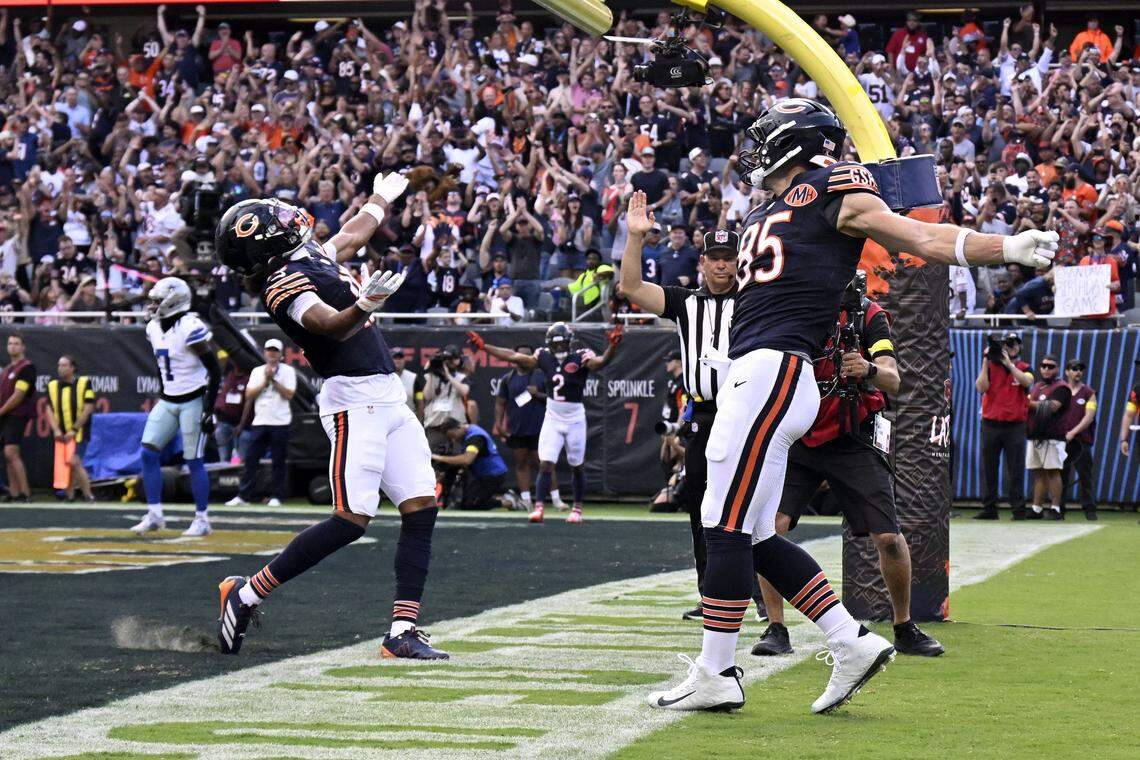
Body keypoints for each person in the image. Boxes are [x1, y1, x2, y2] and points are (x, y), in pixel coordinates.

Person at [646, 98, 1057, 715]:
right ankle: (848, 642)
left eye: (766, 139)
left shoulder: (834, 188)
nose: (755, 152)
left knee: (721, 521)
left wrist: (1000, 247)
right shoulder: (769, 207)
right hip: (764, 372)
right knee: (754, 533)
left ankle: (715, 671)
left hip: (772, 370)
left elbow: (917, 235)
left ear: (795, 143)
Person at [214, 173, 447, 660]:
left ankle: (401, 632)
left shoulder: (307, 255)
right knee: (350, 518)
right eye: (273, 219)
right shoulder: (282, 283)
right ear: (266, 242)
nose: (285, 216)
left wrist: (383, 196)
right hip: (352, 400)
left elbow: (354, 232)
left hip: (386, 396)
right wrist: (364, 304)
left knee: (422, 507)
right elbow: (329, 326)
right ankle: (246, 592)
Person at [751, 280, 943, 659]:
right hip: (797, 433)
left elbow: (893, 378)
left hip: (851, 432)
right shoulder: (794, 308)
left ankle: (903, 625)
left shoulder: (868, 315)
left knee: (888, 536)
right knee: (768, 529)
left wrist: (868, 368)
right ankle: (775, 626)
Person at [618, 200, 739, 620]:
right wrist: (635, 237)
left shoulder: (756, 301)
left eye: (729, 259)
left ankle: (759, 596)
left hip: (746, 415)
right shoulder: (686, 303)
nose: (722, 267)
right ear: (702, 262)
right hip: (704, 416)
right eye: (716, 259)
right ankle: (711, 594)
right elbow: (631, 287)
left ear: (739, 264)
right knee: (701, 507)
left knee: (752, 508)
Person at [471, 321, 620, 523]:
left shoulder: (581, 356)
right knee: (545, 463)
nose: (559, 347)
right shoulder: (543, 356)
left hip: (575, 417)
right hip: (553, 416)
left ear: (569, 342)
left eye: (562, 343)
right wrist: (484, 347)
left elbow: (600, 362)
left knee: (577, 465)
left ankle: (577, 509)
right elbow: (513, 356)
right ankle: (539, 507)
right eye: (555, 344)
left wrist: (612, 346)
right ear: (550, 343)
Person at [131, 278, 220, 537]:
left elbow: (214, 369)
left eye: (157, 301)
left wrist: (209, 409)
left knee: (193, 460)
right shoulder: (153, 328)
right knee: (148, 453)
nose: (153, 305)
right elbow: (161, 367)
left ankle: (202, 519)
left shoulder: (189, 326)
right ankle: (155, 514)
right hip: (169, 400)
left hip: (194, 399)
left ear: (173, 301)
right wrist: (162, 393)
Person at [225, 339, 296, 508]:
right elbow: (249, 394)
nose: (272, 354)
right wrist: (265, 381)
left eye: (275, 351)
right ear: (264, 353)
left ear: (280, 354)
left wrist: (274, 381)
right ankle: (243, 496)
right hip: (260, 421)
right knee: (251, 460)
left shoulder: (288, 371)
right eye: (269, 350)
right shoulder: (257, 371)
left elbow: (289, 395)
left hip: (281, 421)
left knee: (278, 461)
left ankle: (277, 496)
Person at [974, 332, 1034, 520]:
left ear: (1019, 348)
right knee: (988, 467)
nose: (1010, 347)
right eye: (1006, 344)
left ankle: (1018, 509)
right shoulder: (990, 367)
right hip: (991, 424)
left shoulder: (1025, 367)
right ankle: (990, 508)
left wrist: (1009, 363)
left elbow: (1027, 381)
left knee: (1015, 469)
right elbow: (980, 388)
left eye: (1013, 344)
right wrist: (986, 360)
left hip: (1015, 426)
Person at [493, 344, 548, 512]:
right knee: (521, 463)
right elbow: (500, 403)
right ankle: (526, 500)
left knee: (544, 463)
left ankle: (555, 498)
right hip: (517, 429)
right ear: (514, 357)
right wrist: (499, 424)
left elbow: (555, 399)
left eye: (527, 355)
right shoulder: (507, 379)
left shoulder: (542, 376)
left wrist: (537, 394)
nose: (523, 358)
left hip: (540, 428)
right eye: (520, 355)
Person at [1026, 355, 1072, 520]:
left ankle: (1056, 508)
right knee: (1038, 472)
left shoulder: (1062, 388)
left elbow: (1052, 407)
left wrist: (1024, 402)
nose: (1046, 369)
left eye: (1051, 366)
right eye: (1043, 366)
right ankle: (1037, 508)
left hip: (1053, 436)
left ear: (1058, 369)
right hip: (1035, 435)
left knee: (1053, 471)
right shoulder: (1037, 386)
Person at [431, 418, 512, 510]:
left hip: (493, 475)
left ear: (459, 427)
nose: (454, 440)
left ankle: (507, 502)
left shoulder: (475, 437)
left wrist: (439, 458)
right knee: (466, 503)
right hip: (482, 475)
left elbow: (467, 459)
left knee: (472, 504)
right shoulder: (470, 431)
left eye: (453, 436)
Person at [46, 354, 96, 503]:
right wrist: (55, 429)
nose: (60, 368)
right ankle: (70, 495)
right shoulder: (52, 385)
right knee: (68, 464)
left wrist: (74, 429)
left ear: (72, 367)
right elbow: (48, 409)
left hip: (79, 432)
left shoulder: (84, 383)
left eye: (64, 365)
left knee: (75, 461)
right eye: (59, 365)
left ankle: (89, 495)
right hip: (61, 433)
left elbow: (88, 408)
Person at [1059, 359, 1098, 520]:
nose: (1078, 372)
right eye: (1074, 369)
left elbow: (1089, 417)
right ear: (1067, 371)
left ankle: (1089, 510)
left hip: (1082, 442)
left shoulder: (1089, 393)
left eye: (1080, 369)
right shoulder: (1060, 391)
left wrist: (1073, 432)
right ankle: (1058, 510)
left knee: (1085, 476)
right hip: (1062, 441)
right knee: (1060, 476)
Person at [0, 334, 35, 503]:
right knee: (7, 455)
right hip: (4, 416)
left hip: (16, 415)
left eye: (16, 344)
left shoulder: (27, 368)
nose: (12, 346)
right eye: (10, 343)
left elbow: (18, 396)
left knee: (11, 452)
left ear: (23, 347)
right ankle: (13, 493)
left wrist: (1, 411)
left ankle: (25, 493)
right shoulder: (6, 370)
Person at [391, 348, 422, 419]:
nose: (398, 361)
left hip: (409, 420)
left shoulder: (413, 378)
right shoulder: (385, 379)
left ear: (404, 360)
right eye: (395, 358)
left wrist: (420, 421)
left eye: (400, 358)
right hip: (391, 420)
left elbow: (420, 399)